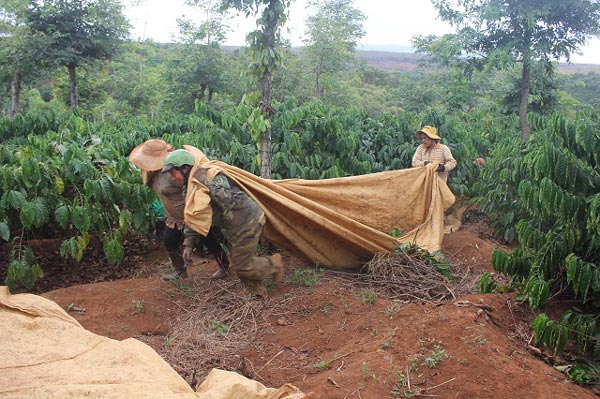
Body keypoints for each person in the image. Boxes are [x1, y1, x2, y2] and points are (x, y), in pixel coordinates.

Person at [161, 149, 284, 297]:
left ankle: (274, 264)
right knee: (240, 263)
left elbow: (226, 199)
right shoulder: (190, 189)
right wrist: (188, 244)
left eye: (173, 173)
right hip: (232, 227)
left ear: (185, 168)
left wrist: (205, 182)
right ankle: (259, 294)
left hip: (246, 220)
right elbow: (195, 216)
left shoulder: (211, 175)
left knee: (241, 265)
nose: (173, 178)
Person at [128, 139, 228, 280]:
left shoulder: (173, 172)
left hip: (191, 213)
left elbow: (192, 190)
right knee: (169, 241)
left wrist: (195, 211)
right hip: (173, 217)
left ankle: (224, 266)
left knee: (209, 240)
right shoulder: (150, 172)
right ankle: (180, 271)